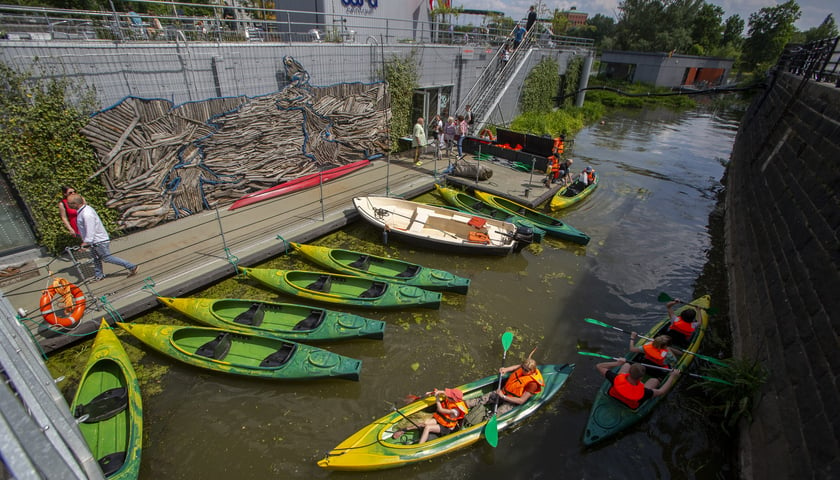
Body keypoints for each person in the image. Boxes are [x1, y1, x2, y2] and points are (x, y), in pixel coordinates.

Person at [67, 194, 138, 282]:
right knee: (96, 258)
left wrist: (85, 243)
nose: (68, 205)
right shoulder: (83, 211)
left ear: (75, 204)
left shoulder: (86, 214)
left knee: (107, 258)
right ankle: (99, 275)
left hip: (98, 241)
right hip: (94, 241)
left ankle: (131, 266)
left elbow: (90, 229)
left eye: (69, 203)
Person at [467, 348, 543, 416]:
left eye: (526, 370)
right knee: (483, 398)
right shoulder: (524, 367)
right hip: (504, 392)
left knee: (495, 415)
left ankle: (486, 420)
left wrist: (503, 396)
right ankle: (466, 404)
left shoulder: (532, 384)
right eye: (522, 368)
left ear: (532, 371)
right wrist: (506, 369)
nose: (523, 370)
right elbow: (515, 367)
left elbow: (521, 401)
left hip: (512, 402)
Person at [596, 358, 681, 410]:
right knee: (654, 381)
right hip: (630, 405)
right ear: (641, 378)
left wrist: (617, 363)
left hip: (614, 395)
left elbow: (599, 366)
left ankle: (626, 365)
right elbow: (662, 391)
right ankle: (657, 380)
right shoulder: (644, 392)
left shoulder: (615, 378)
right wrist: (672, 376)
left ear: (629, 372)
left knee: (626, 364)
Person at [392, 387, 468, 444]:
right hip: (440, 420)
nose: (447, 395)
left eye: (449, 395)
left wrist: (437, 399)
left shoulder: (455, 411)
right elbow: (443, 392)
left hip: (446, 428)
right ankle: (404, 430)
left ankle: (419, 446)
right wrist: (434, 392)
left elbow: (440, 410)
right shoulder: (451, 398)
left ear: (453, 399)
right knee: (423, 423)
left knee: (427, 428)